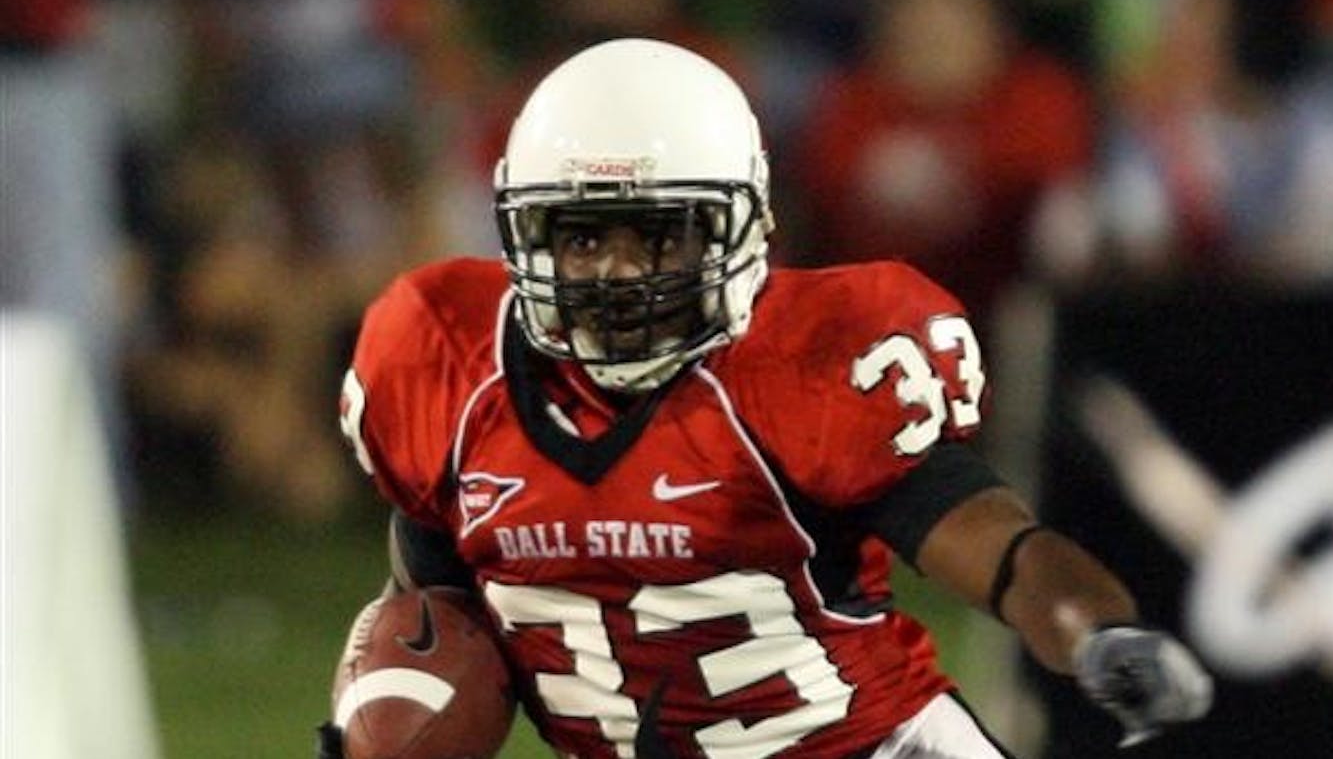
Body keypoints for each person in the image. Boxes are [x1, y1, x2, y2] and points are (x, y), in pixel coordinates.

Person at [318, 38, 1211, 758]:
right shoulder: (447, 367)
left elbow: (997, 545)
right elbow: (437, 611)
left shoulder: (804, 364)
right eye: (583, 238)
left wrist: (1093, 632)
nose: (620, 275)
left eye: (659, 238)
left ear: (742, 227)